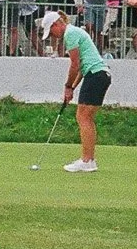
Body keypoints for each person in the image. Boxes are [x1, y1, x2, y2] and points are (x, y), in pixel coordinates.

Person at [38, 9, 109, 172]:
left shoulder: (70, 34)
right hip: (98, 75)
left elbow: (75, 65)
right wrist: (71, 89)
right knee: (86, 117)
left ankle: (87, 160)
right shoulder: (74, 32)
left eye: (51, 31)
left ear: (57, 24)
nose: (53, 36)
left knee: (83, 116)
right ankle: (89, 160)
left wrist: (67, 86)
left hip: (96, 75)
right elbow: (82, 69)